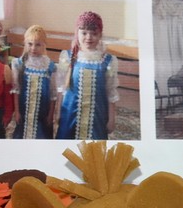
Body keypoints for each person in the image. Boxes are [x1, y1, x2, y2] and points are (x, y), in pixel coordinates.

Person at [56, 10, 118, 140]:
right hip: (69, 115)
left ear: (100, 35)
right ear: (77, 34)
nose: (89, 37)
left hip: (97, 117)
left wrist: (111, 118)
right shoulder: (67, 57)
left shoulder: (108, 61)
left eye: (94, 33)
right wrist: (58, 112)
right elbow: (61, 88)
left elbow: (111, 93)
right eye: (84, 33)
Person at [11, 24, 56, 139]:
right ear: (25, 44)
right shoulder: (19, 64)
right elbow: (16, 90)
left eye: (38, 45)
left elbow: (53, 94)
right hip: (24, 111)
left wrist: (51, 114)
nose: (33, 48)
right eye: (30, 44)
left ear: (44, 45)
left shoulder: (50, 66)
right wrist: (17, 111)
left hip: (42, 113)